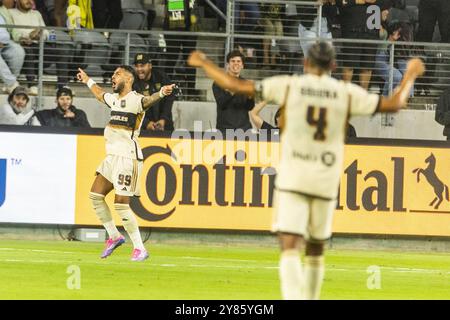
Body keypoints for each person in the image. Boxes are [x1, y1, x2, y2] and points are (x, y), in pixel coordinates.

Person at [188, 42, 424, 299]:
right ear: (333, 66)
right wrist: (410, 73)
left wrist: (204, 63)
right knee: (315, 247)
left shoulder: (292, 86)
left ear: (305, 64)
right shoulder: (344, 92)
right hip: (325, 178)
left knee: (289, 244)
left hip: (294, 175)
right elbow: (395, 103)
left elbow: (236, 86)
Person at [76, 65, 175, 261]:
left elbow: (148, 101)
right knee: (95, 195)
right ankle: (114, 236)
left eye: (117, 74)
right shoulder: (114, 100)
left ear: (128, 79)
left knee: (121, 205)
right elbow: (99, 94)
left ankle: (140, 248)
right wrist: (87, 79)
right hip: (111, 156)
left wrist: (162, 92)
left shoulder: (136, 99)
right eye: (113, 74)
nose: (113, 77)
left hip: (127, 157)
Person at [10, 0, 72, 93]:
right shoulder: (10, 13)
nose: (29, 1)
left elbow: (45, 31)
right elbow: (13, 31)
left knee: (62, 52)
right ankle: (32, 85)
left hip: (38, 44)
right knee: (28, 50)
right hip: (21, 45)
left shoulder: (36, 13)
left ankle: (62, 86)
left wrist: (40, 34)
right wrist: (29, 35)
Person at [213, 50, 254, 133]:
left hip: (244, 129)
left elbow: (250, 107)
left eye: (238, 61)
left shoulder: (246, 83)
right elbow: (221, 103)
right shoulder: (218, 82)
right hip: (225, 129)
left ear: (242, 65)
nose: (236, 63)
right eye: (233, 61)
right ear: (227, 64)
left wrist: (251, 97)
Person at [133, 53, 175, 131]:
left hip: (165, 126)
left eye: (142, 66)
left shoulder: (161, 77)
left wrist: (163, 119)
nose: (139, 69)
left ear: (150, 66)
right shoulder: (133, 82)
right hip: (142, 129)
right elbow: (133, 106)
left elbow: (169, 99)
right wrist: (146, 123)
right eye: (136, 66)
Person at [0, 0, 25, 94]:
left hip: (6, 43)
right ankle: (12, 84)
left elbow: (12, 28)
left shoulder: (3, 10)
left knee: (18, 51)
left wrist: (21, 37)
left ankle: (9, 84)